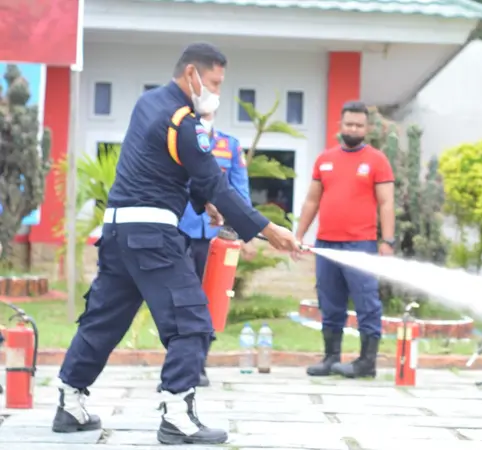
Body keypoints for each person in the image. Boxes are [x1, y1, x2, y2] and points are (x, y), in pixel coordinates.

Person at [51, 43, 300, 445]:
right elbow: (214, 180)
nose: (217, 91)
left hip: (117, 230)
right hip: (152, 236)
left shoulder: (148, 103)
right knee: (192, 322)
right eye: (215, 82)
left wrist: (204, 204)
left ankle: (69, 402)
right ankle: (177, 414)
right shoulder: (185, 123)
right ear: (192, 75)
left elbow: (161, 169)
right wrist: (270, 231)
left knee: (103, 320)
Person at [295, 101, 396, 379]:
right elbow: (312, 200)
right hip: (326, 244)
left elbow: (386, 203)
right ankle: (330, 358)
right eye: (349, 124)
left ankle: (367, 362)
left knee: (366, 302)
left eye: (359, 125)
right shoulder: (324, 159)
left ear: (367, 128)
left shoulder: (377, 160)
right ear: (340, 126)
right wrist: (299, 236)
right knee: (330, 301)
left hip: (360, 245)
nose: (353, 128)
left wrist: (387, 241)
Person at [164, 110, 256, 390]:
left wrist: (246, 231)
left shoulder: (230, 146)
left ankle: (198, 363)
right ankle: (176, 365)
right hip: (179, 228)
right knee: (177, 299)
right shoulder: (177, 141)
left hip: (215, 236)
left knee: (208, 298)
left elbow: (239, 191)